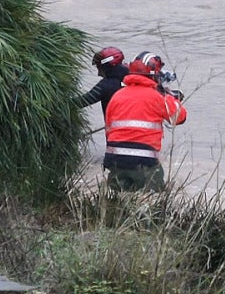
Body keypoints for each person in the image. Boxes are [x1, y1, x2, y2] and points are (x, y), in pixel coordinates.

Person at [103, 52, 187, 192]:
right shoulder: (158, 97)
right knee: (153, 201)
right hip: (145, 161)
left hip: (115, 159)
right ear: (155, 75)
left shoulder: (117, 96)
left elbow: (108, 128)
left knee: (116, 202)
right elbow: (179, 117)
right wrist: (171, 96)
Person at [78, 46, 128, 115]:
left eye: (99, 68)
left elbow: (82, 102)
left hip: (117, 124)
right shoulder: (137, 78)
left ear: (106, 67)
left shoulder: (106, 86)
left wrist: (61, 103)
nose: (99, 74)